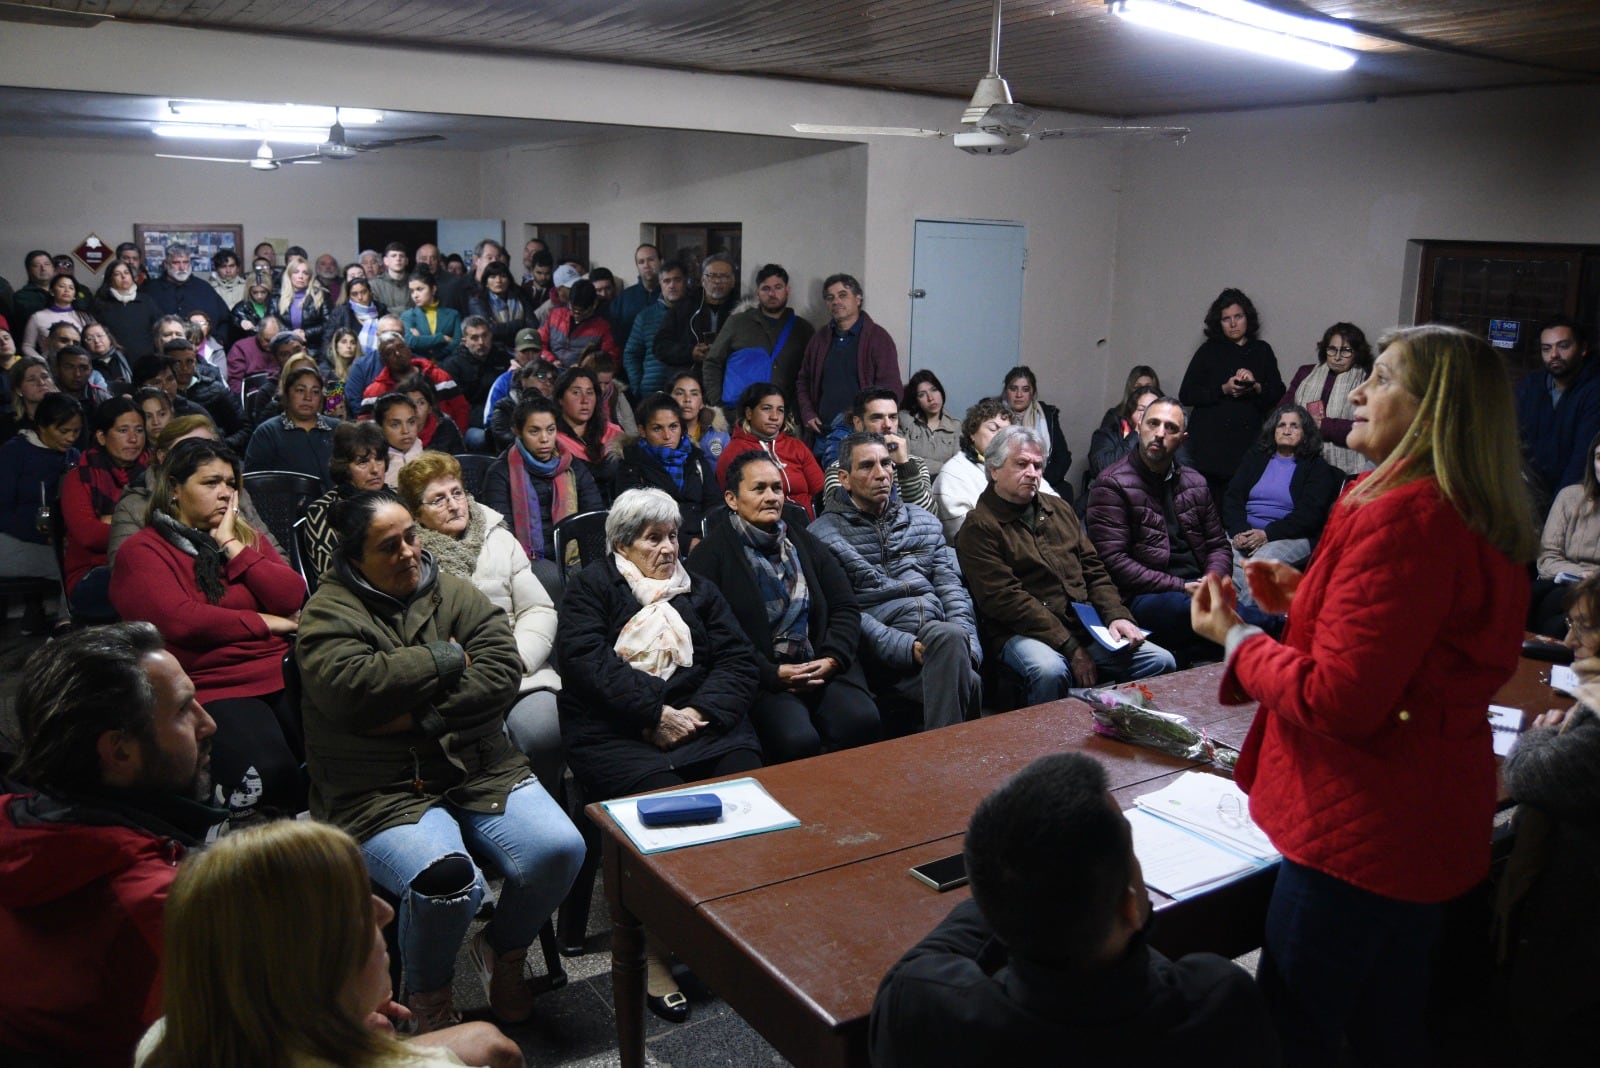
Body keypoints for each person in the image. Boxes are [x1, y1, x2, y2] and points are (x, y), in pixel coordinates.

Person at [1189, 324, 1536, 1065]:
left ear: (1433, 408)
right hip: (1427, 809)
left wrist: (1237, 637)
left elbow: (1340, 700)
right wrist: (1306, 598)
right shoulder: (1473, 508)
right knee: (1389, 1019)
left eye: (1380, 378)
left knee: (1299, 1029)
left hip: (1362, 824)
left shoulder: (1405, 519)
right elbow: (1418, 646)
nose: (1358, 393)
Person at [297, 489, 585, 1032]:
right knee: (450, 882)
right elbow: (353, 690)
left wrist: (419, 714)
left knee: (561, 848)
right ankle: (428, 994)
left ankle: (502, 949)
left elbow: (501, 670)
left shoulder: (452, 590)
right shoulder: (328, 613)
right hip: (379, 788)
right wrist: (448, 655)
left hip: (479, 765)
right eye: (389, 546)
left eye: (411, 535)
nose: (409, 551)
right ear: (355, 557)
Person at [869, 752, 1279, 1067]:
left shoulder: (926, 1009)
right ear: (1129, 906)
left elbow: (928, 959)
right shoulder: (1217, 1004)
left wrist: (1017, 872)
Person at [556, 487, 762, 1021]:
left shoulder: (699, 591)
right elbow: (586, 664)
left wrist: (697, 715)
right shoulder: (590, 590)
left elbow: (738, 661)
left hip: (701, 727)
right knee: (668, 816)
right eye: (654, 538)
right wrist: (653, 714)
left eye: (672, 536)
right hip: (618, 733)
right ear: (623, 544)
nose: (669, 548)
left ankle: (727, 930)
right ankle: (655, 953)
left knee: (745, 797)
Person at [134, 809, 523, 1068]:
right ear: (313, 955)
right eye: (354, 903)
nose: (384, 912)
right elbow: (490, 1049)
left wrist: (335, 1023)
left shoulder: (164, 1041)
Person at [0, 623, 224, 1068]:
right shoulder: (158, 905)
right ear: (119, 752)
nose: (207, 723)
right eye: (184, 711)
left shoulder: (14, 822)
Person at [110, 437, 308, 823]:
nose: (225, 494)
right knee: (272, 772)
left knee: (333, 757)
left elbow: (290, 596)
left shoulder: (244, 538)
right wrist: (262, 622)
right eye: (210, 482)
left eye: (231, 484)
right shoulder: (143, 551)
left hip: (283, 670)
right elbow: (180, 620)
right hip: (213, 684)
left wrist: (233, 545)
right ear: (174, 490)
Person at [960, 425, 1175, 703]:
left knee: (1161, 661)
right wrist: (1071, 647)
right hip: (1021, 632)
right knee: (1050, 671)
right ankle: (1046, 744)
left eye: (1038, 466)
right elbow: (1005, 600)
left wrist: (1116, 615)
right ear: (994, 470)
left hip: (1082, 624)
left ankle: (1121, 725)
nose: (1032, 473)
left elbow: (1094, 570)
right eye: (1021, 464)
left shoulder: (1057, 508)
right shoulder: (979, 526)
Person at [692, 451, 879, 761]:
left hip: (821, 665)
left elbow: (845, 606)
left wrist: (833, 658)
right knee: (796, 739)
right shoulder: (710, 556)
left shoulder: (804, 542)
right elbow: (714, 635)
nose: (771, 497)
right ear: (732, 499)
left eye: (777, 488)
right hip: (759, 678)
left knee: (861, 720)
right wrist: (771, 672)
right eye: (759, 488)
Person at [399, 451, 564, 794]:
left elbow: (538, 609)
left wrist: (514, 658)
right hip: (456, 680)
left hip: (521, 671)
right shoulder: (410, 559)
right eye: (438, 499)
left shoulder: (499, 537)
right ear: (417, 513)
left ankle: (552, 802)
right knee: (478, 745)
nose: (454, 505)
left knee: (544, 730)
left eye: (457, 493)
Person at [811, 432, 983, 730]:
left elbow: (951, 590)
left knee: (954, 643)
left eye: (887, 464)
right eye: (867, 466)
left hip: (941, 639)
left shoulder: (923, 521)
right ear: (845, 478)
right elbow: (847, 613)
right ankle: (952, 756)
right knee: (970, 683)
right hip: (878, 648)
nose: (881, 474)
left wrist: (970, 648)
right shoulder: (823, 536)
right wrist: (906, 647)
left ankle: (945, 759)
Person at [1497, 572, 1600, 1061]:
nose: (1569, 640)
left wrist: (1538, 736)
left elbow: (1527, 775)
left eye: (1584, 628)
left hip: (1581, 895)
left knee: (1549, 1012)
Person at [1087, 397, 1249, 663]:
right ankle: (1274, 626)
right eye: (1153, 423)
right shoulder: (1112, 484)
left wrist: (1212, 580)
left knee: (1215, 612)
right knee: (1205, 614)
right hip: (1144, 595)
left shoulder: (1195, 482)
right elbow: (1113, 562)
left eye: (1170, 428)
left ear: (1182, 439)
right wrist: (1180, 586)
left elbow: (1218, 544)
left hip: (1196, 589)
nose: (1160, 433)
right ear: (1139, 427)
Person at [109, 414, 282, 567]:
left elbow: (280, 564)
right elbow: (127, 574)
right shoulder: (134, 506)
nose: (208, 457)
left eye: (210, 447)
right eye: (191, 450)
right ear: (162, 457)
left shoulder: (235, 495)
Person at [1220, 403, 1342, 609]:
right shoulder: (1255, 457)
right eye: (1281, 425)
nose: (1286, 430)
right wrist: (1240, 532)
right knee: (1221, 556)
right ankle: (1241, 615)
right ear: (1273, 430)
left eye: (1294, 426)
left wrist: (1267, 534)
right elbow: (1233, 498)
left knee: (1258, 567)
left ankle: (1239, 622)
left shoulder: (1316, 467)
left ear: (1306, 433)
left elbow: (1309, 515)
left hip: (1289, 535)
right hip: (1245, 531)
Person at [1178, 288, 1286, 503]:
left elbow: (1278, 393)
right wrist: (1223, 389)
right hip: (1207, 445)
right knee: (1202, 507)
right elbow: (1186, 394)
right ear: (1219, 323)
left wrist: (1255, 386)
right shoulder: (1209, 350)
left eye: (1238, 316)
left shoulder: (1262, 350)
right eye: (1226, 319)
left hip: (1245, 445)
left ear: (1248, 318)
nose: (1233, 324)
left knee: (1236, 506)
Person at [481, 394, 603, 566]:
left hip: (575, 556)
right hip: (527, 560)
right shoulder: (501, 473)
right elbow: (502, 532)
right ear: (518, 431)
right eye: (534, 431)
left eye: (550, 430)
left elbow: (593, 516)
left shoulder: (571, 466)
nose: (544, 439)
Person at [61, 395, 148, 621]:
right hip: (93, 573)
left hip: (148, 561)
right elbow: (89, 535)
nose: (133, 439)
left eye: (139, 430)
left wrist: (114, 521)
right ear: (101, 436)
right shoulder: (79, 478)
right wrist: (144, 525)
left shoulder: (153, 471)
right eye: (123, 431)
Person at [0, 392, 80, 633]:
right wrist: (38, 532)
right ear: (42, 426)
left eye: (75, 431)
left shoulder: (73, 457)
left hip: (57, 540)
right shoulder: (14, 453)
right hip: (13, 537)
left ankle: (67, 620)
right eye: (63, 431)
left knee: (76, 558)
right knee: (68, 565)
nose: (70, 438)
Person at [932, 397, 1058, 544]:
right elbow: (964, 532)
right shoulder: (954, 472)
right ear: (972, 433)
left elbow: (1056, 507)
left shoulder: (1024, 466)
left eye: (1007, 432)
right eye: (993, 429)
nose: (1001, 436)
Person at [797, 273, 901, 442]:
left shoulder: (878, 338)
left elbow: (891, 388)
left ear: (858, 299)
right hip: (823, 432)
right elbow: (803, 380)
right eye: (830, 298)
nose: (836, 301)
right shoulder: (819, 339)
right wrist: (807, 413)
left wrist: (875, 422)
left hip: (863, 434)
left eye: (842, 295)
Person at [702, 263, 815, 412]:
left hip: (785, 417)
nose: (772, 294)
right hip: (740, 414)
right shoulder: (738, 322)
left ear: (788, 290)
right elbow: (712, 362)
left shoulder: (803, 329)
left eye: (778, 287)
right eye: (766, 288)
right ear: (757, 292)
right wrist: (718, 403)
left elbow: (810, 375)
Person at [617, 393, 721, 550]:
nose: (667, 436)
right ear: (643, 431)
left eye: (673, 426)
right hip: (658, 547)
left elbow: (714, 503)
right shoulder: (631, 465)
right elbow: (638, 520)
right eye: (657, 428)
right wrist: (686, 543)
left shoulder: (695, 458)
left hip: (703, 541)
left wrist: (707, 539)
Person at [1515, 315, 1600, 502]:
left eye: (1563, 346)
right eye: (1547, 348)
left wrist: (1559, 507)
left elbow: (1583, 458)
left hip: (1575, 496)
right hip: (1530, 493)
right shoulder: (1531, 386)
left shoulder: (1594, 391)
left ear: (1583, 349)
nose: (1553, 354)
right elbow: (1513, 437)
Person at [818, 386, 935, 514]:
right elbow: (840, 518)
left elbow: (928, 515)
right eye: (877, 417)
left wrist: (904, 466)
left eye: (893, 417)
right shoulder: (840, 469)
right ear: (858, 423)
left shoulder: (914, 464)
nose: (888, 425)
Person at [717, 381, 825, 517]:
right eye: (767, 408)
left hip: (808, 526)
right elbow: (735, 503)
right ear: (749, 413)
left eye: (780, 410)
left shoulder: (796, 446)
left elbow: (821, 490)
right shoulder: (733, 452)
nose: (774, 417)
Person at [300, 419, 391, 583]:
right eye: (363, 462)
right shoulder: (322, 511)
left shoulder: (398, 498)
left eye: (379, 459)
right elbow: (329, 574)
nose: (375, 470)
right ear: (344, 467)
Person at [1288, 322, 1375, 477]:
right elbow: (1281, 413)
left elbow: (1369, 428)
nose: (1337, 357)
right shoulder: (1305, 373)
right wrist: (1301, 422)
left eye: (1346, 350)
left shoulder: (1368, 380)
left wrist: (1323, 425)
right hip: (1300, 458)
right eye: (1332, 349)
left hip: (1347, 467)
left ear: (1357, 353)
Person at [243, 359, 338, 485]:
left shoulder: (337, 429)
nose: (308, 397)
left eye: (315, 392)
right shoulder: (267, 433)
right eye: (300, 390)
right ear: (287, 394)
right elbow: (254, 484)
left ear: (321, 397)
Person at [360, 330, 469, 430]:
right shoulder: (374, 392)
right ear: (383, 360)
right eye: (389, 352)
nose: (397, 354)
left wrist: (454, 437)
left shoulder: (438, 376)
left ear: (408, 349)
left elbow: (461, 409)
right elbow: (367, 428)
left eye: (400, 347)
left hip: (444, 439)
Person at [653, 254, 737, 376]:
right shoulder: (684, 307)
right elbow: (660, 347)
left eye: (724, 276)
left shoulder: (741, 309)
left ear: (733, 281)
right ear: (703, 280)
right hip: (690, 380)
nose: (718, 281)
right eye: (712, 276)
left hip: (727, 380)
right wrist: (690, 352)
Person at [552, 365, 623, 500]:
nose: (585, 400)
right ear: (560, 399)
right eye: (576, 393)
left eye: (590, 392)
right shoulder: (551, 439)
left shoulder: (614, 434)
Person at [624, 259, 687, 399]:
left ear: (685, 282)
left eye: (677, 280)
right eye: (667, 281)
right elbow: (631, 354)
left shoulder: (696, 314)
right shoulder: (645, 316)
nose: (672, 285)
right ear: (660, 284)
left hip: (685, 391)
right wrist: (637, 386)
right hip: (651, 391)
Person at [1001, 365, 1072, 490]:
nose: (1019, 394)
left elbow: (1062, 457)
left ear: (1032, 392)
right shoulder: (995, 415)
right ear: (1006, 391)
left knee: (1065, 491)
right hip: (1006, 479)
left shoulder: (1047, 415)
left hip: (1043, 478)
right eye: (1013, 388)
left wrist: (1040, 480)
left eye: (1025, 389)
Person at [1087, 385, 1161, 485]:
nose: (1147, 415)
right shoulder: (1109, 433)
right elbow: (1102, 468)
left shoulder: (1170, 438)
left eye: (1153, 410)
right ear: (1130, 413)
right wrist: (1136, 435)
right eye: (1141, 409)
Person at [540, 278, 617, 368]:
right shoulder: (555, 315)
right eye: (573, 309)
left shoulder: (604, 327)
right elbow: (538, 343)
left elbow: (611, 360)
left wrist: (585, 367)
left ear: (594, 304)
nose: (576, 315)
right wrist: (551, 360)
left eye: (582, 312)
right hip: (551, 368)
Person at [93, 260, 161, 360]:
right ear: (110, 279)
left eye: (126, 273)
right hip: (114, 359)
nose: (123, 277)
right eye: (117, 274)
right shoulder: (101, 303)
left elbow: (159, 327)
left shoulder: (146, 301)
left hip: (146, 359)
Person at [901, 369, 961, 476]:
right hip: (914, 483)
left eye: (934, 390)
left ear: (941, 391)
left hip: (945, 483)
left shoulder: (955, 426)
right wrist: (943, 467)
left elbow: (958, 466)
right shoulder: (906, 422)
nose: (931, 398)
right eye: (922, 394)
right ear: (916, 401)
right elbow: (904, 461)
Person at [20, 273, 92, 359]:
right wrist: (41, 361)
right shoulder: (38, 317)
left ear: (75, 295)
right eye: (62, 286)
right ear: (52, 291)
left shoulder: (84, 317)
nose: (66, 290)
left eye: (71, 288)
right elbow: (27, 346)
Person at [670, 370, 730, 463]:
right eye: (680, 393)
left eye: (694, 394)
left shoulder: (719, 433)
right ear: (668, 399)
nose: (687, 399)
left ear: (702, 402)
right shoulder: (664, 436)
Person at [324, 274, 389, 359]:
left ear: (370, 292)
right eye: (355, 294)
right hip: (346, 361)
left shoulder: (381, 311)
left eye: (363, 292)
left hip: (378, 360)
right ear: (349, 297)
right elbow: (328, 340)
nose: (360, 297)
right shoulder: (340, 313)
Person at [401, 268, 462, 359]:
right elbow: (411, 341)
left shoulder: (453, 315)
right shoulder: (408, 316)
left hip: (447, 366)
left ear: (433, 289)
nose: (415, 295)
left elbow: (457, 344)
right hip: (420, 367)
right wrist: (442, 338)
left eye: (420, 289)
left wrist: (433, 352)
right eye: (412, 291)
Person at [400, 373, 466, 455]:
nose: (415, 409)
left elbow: (459, 462)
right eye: (409, 402)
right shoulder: (392, 431)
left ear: (430, 407)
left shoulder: (445, 426)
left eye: (421, 403)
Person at [372, 392, 423, 487]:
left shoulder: (422, 452)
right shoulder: (374, 462)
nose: (405, 431)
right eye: (395, 424)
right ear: (379, 426)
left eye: (411, 422)